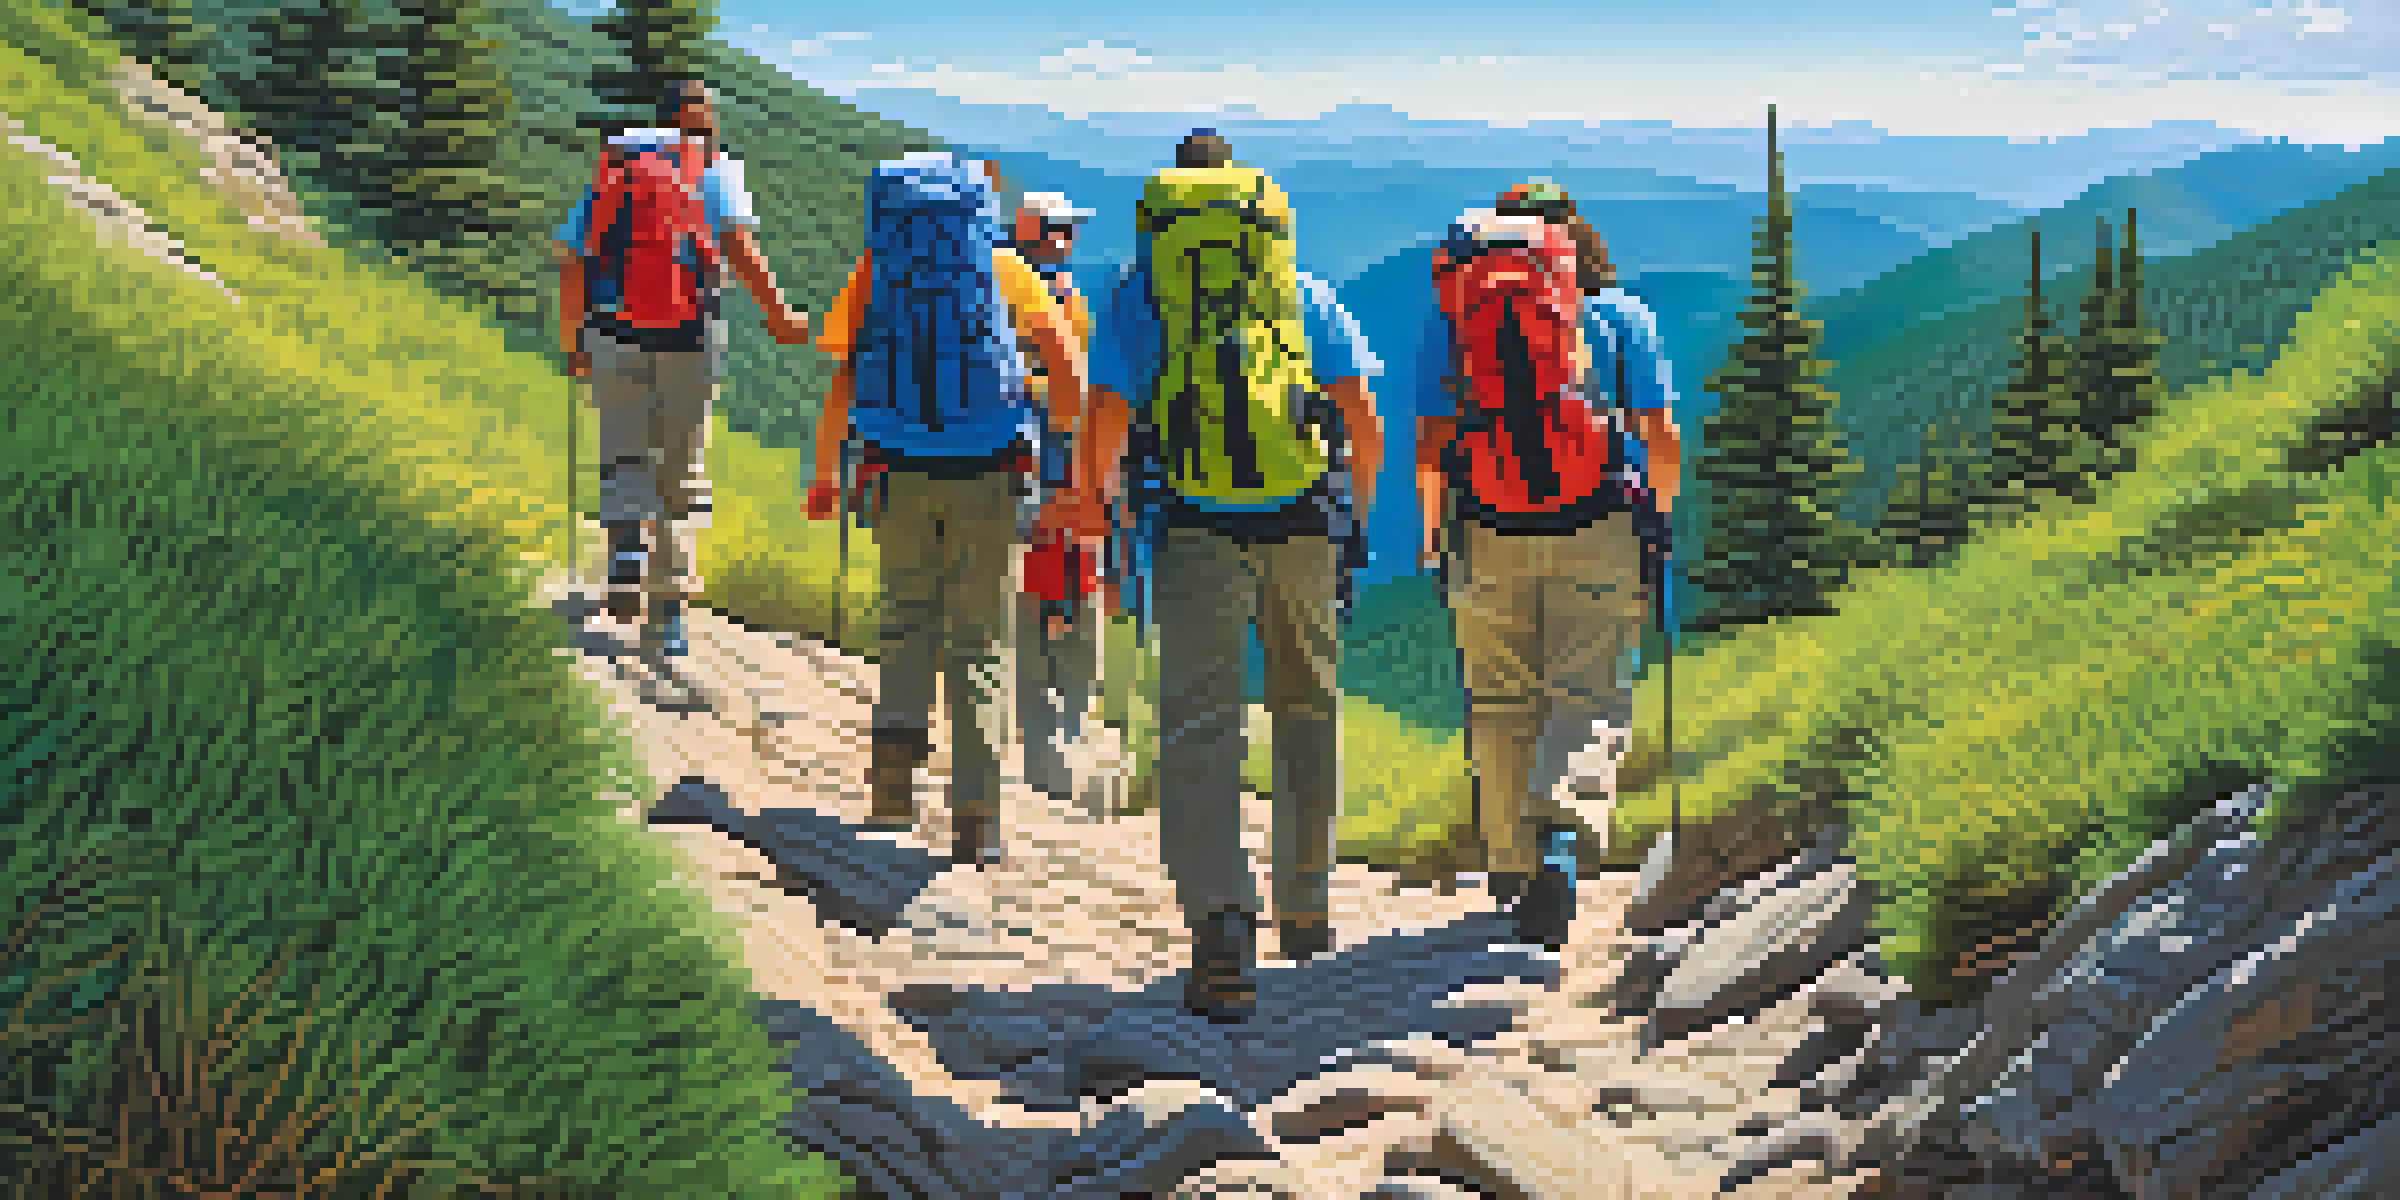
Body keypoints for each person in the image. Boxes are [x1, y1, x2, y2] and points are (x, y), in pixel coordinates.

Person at [1073, 129, 1385, 1022]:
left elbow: (1105, 412)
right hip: (1302, 522)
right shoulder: (1297, 290)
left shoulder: (1140, 295)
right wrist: (1353, 515)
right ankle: (1306, 904)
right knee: (1306, 707)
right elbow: (1359, 412)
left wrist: (1105, 505)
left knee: (1199, 724)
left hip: (1193, 526)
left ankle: (1219, 928)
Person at [1415, 180, 1684, 952]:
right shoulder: (1623, 318)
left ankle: (1510, 864)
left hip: (1488, 526)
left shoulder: (1459, 315)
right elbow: (1660, 435)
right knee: (1588, 689)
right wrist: (1659, 515)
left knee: (1500, 701)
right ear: (1575, 241)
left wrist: (1435, 536)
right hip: (1596, 523)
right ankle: (1561, 839)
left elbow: (1433, 445)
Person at [808, 153, 1089, 868]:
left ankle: (894, 791)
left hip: (897, 470)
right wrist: (1067, 453)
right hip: (992, 472)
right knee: (982, 642)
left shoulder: (875, 272)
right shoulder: (1004, 271)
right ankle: (977, 817)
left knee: (905, 622)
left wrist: (824, 473)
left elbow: (844, 377)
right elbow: (1064, 358)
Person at [555, 79, 811, 662]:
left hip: (613, 331)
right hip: (691, 337)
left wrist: (575, 343)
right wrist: (778, 315)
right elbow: (741, 250)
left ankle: (625, 554)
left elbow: (574, 261)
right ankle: (668, 613)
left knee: (622, 448)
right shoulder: (716, 170)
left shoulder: (617, 168)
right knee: (683, 468)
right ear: (705, 122)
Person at [1010, 191, 1107, 812]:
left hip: (1006, 471)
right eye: (1067, 229)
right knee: (1076, 618)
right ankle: (1058, 756)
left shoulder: (990, 284)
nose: (1073, 239)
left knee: (1026, 614)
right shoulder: (1062, 298)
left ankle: (1036, 749)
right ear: (1048, 235)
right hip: (1064, 474)